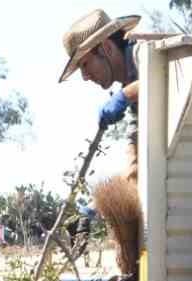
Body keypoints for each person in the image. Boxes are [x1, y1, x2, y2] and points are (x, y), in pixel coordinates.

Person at [59, 10, 141, 182]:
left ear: (107, 48)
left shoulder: (142, 53)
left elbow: (162, 77)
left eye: (85, 64)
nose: (85, 76)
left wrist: (124, 96)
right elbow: (136, 156)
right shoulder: (133, 95)